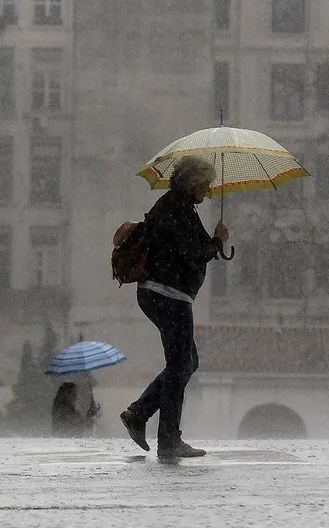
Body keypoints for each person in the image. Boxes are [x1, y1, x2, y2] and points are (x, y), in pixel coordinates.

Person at [119, 156, 229, 458]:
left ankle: (139, 414)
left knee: (187, 362)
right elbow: (194, 254)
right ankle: (167, 439)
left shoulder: (177, 206)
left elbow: (192, 248)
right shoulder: (177, 209)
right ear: (193, 182)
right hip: (168, 295)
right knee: (181, 364)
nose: (208, 192)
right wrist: (217, 242)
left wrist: (214, 242)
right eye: (206, 185)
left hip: (162, 294)